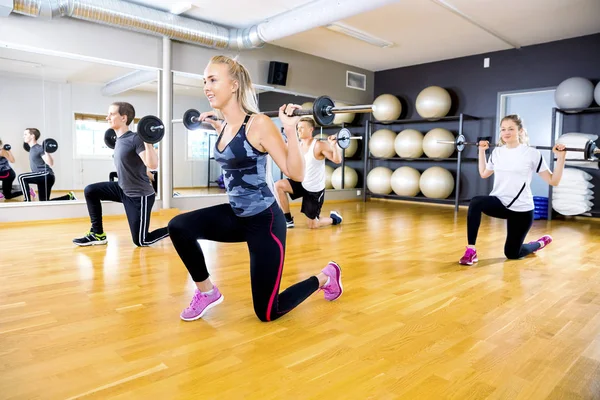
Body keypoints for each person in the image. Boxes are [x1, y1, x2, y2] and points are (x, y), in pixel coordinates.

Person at [167, 55, 343, 322]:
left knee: (268, 312)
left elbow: (296, 173)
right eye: (204, 81)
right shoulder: (225, 125)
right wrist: (216, 123)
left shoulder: (259, 123)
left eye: (213, 79)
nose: (206, 86)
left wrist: (289, 129)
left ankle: (324, 277)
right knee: (179, 226)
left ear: (234, 85)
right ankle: (207, 292)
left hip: (264, 221)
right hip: (237, 215)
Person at [459, 114, 566, 265]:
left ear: (520, 131)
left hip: (522, 210)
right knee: (476, 202)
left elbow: (553, 181)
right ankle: (471, 251)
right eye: (503, 129)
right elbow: (484, 174)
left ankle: (539, 244)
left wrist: (561, 158)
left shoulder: (532, 154)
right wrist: (482, 152)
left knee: (512, 254)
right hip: (500, 203)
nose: (506, 132)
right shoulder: (497, 152)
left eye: (511, 129)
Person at [72, 102, 169, 247]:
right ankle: (97, 234)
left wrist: (148, 141)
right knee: (91, 191)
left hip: (139, 195)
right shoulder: (119, 140)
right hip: (123, 189)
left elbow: (153, 164)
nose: (107, 117)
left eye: (111, 114)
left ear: (124, 118)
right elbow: (137, 167)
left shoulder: (136, 138)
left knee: (142, 241)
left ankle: (176, 227)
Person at [274, 117, 343, 229]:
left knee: (313, 225)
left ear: (311, 130)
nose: (299, 130)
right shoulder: (298, 145)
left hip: (314, 189)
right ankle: (288, 220)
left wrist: (334, 145)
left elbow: (337, 160)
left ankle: (334, 218)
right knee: (278, 186)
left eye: (302, 128)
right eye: (298, 128)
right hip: (301, 182)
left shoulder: (319, 145)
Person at [18, 128, 76, 202]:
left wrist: (46, 150)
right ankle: (69, 197)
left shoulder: (39, 148)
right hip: (41, 176)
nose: (23, 136)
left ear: (32, 136)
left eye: (25, 134)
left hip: (46, 174)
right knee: (44, 202)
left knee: (21, 177)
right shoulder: (32, 149)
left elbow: (50, 163)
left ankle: (27, 201)